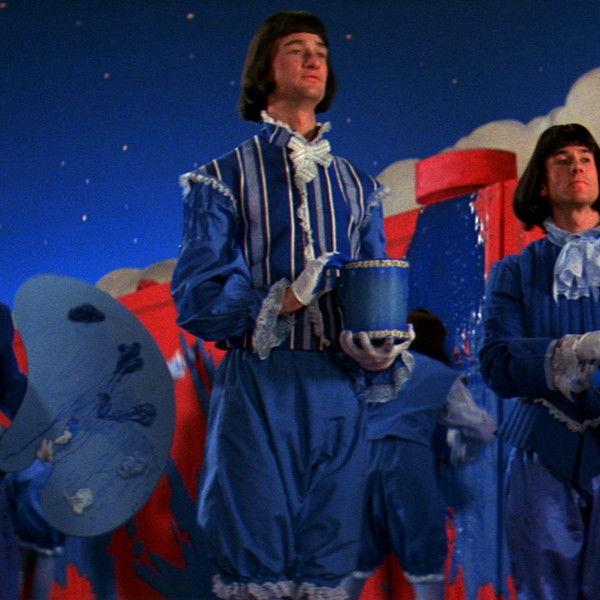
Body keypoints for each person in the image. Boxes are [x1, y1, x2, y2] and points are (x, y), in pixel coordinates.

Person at [171, 11, 404, 600]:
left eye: (320, 50)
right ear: (265, 70)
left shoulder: (359, 186)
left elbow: (376, 286)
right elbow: (197, 297)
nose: (314, 58)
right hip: (261, 384)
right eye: (296, 48)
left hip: (340, 386)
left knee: (329, 556)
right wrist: (288, 297)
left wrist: (379, 348)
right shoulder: (223, 177)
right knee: (255, 554)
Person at [479, 123, 600, 600]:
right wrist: (574, 349)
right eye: (562, 160)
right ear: (543, 183)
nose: (576, 166)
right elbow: (497, 363)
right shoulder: (513, 271)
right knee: (542, 588)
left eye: (586, 158)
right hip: (542, 449)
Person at [343, 309, 495, 600]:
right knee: (423, 551)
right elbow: (480, 429)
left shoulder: (365, 369)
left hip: (358, 459)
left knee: (354, 553)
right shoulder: (438, 374)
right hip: (408, 457)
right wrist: (457, 453)